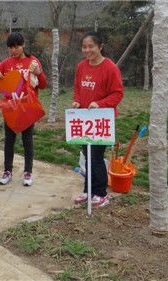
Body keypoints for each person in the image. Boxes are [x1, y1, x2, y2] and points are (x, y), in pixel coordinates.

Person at [0, 32, 47, 186]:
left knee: (27, 140)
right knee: (9, 140)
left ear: (23, 45)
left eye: (17, 46)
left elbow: (43, 84)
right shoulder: (6, 63)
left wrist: (39, 73)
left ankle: (28, 172)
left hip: (27, 106)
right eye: (11, 47)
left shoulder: (32, 61)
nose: (14, 50)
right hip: (11, 108)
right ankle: (7, 171)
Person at [71, 32, 124, 207]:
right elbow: (78, 87)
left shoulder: (110, 68)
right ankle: (88, 191)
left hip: (102, 120)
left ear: (100, 47)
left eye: (91, 46)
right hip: (84, 120)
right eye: (84, 46)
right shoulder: (81, 66)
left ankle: (101, 194)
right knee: (86, 155)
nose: (87, 50)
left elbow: (118, 93)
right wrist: (77, 101)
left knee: (96, 156)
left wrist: (100, 104)